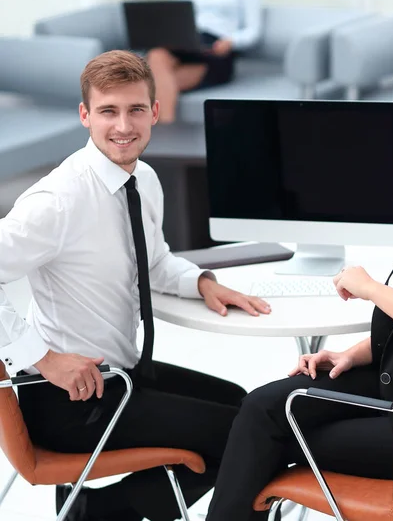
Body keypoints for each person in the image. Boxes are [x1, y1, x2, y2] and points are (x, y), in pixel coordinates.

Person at [0, 50, 271, 521]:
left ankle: (99, 509)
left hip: (123, 377)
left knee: (248, 408)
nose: (123, 125)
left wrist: (202, 281)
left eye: (135, 109)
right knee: (248, 434)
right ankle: (107, 510)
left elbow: (155, 261)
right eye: (108, 111)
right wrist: (41, 358)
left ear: (155, 111)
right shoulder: (58, 200)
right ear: (85, 115)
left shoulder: (143, 179)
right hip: (69, 399)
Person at [205, 100, 393, 521]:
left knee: (262, 438)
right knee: (259, 407)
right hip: (390, 382)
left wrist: (370, 289)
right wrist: (353, 353)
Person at [147, 0, 261, 123]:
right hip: (189, 43)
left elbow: (253, 30)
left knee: (155, 82)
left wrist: (231, 41)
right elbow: (179, 18)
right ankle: (168, 139)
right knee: (156, 55)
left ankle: (161, 138)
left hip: (218, 50)